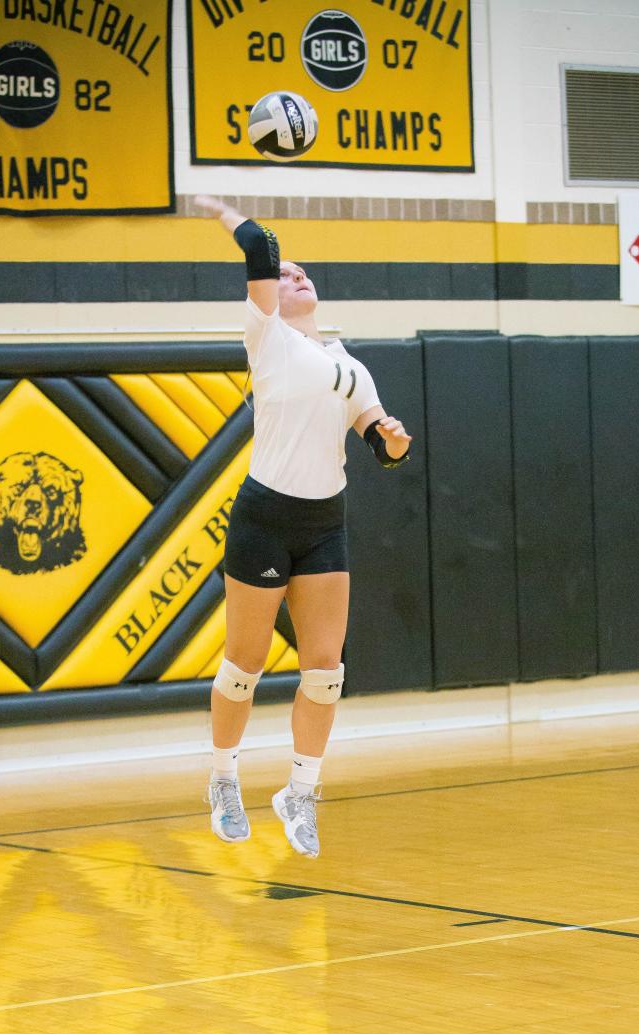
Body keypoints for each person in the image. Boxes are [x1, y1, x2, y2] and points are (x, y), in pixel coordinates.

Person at [195, 194, 413, 858]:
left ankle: (300, 791)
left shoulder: (350, 365)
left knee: (325, 671)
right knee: (245, 665)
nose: (296, 278)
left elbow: (378, 439)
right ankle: (224, 778)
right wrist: (221, 211)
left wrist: (394, 438)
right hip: (265, 515)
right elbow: (260, 247)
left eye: (303, 273)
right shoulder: (267, 338)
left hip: (325, 521)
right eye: (286, 275)